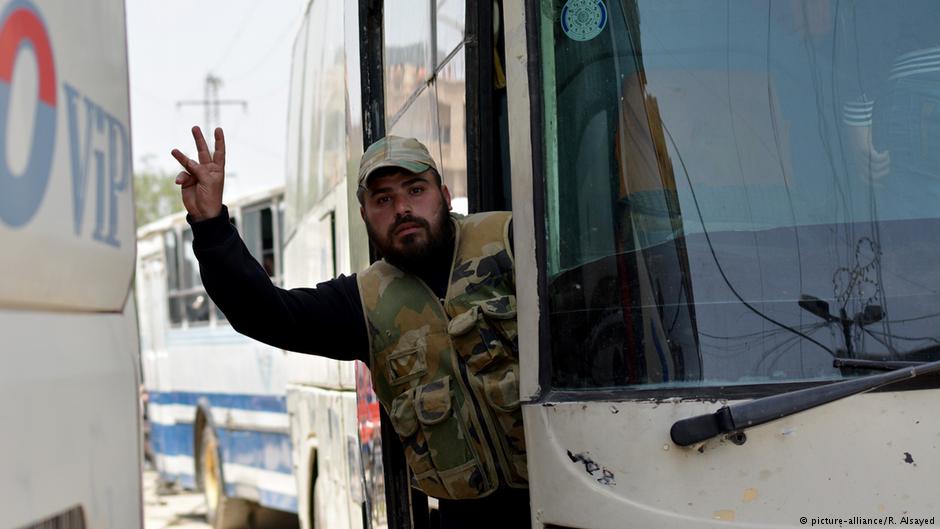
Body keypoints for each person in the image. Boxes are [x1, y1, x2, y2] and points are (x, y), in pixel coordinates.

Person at [171, 127, 529, 528]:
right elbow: (264, 313)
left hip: (558, 494)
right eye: (383, 199)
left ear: (443, 196)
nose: (402, 209)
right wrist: (211, 226)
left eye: (415, 190)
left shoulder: (512, 243)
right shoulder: (364, 299)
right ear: (364, 216)